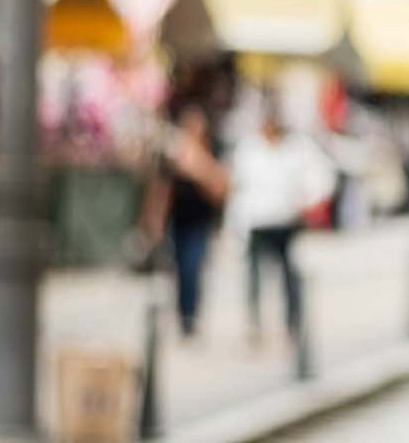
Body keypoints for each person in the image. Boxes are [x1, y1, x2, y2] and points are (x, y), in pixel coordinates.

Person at [226, 100, 332, 342]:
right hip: (257, 221)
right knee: (254, 276)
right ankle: (255, 324)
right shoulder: (249, 148)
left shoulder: (297, 147)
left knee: (288, 274)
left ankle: (292, 323)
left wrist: (308, 201)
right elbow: (238, 187)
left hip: (285, 220)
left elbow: (321, 176)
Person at [141, 102, 229, 338]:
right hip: (178, 221)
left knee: (193, 266)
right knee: (180, 269)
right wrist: (154, 220)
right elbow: (162, 188)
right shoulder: (173, 156)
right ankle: (183, 314)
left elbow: (221, 187)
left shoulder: (211, 152)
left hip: (200, 222)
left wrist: (197, 167)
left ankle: (191, 314)